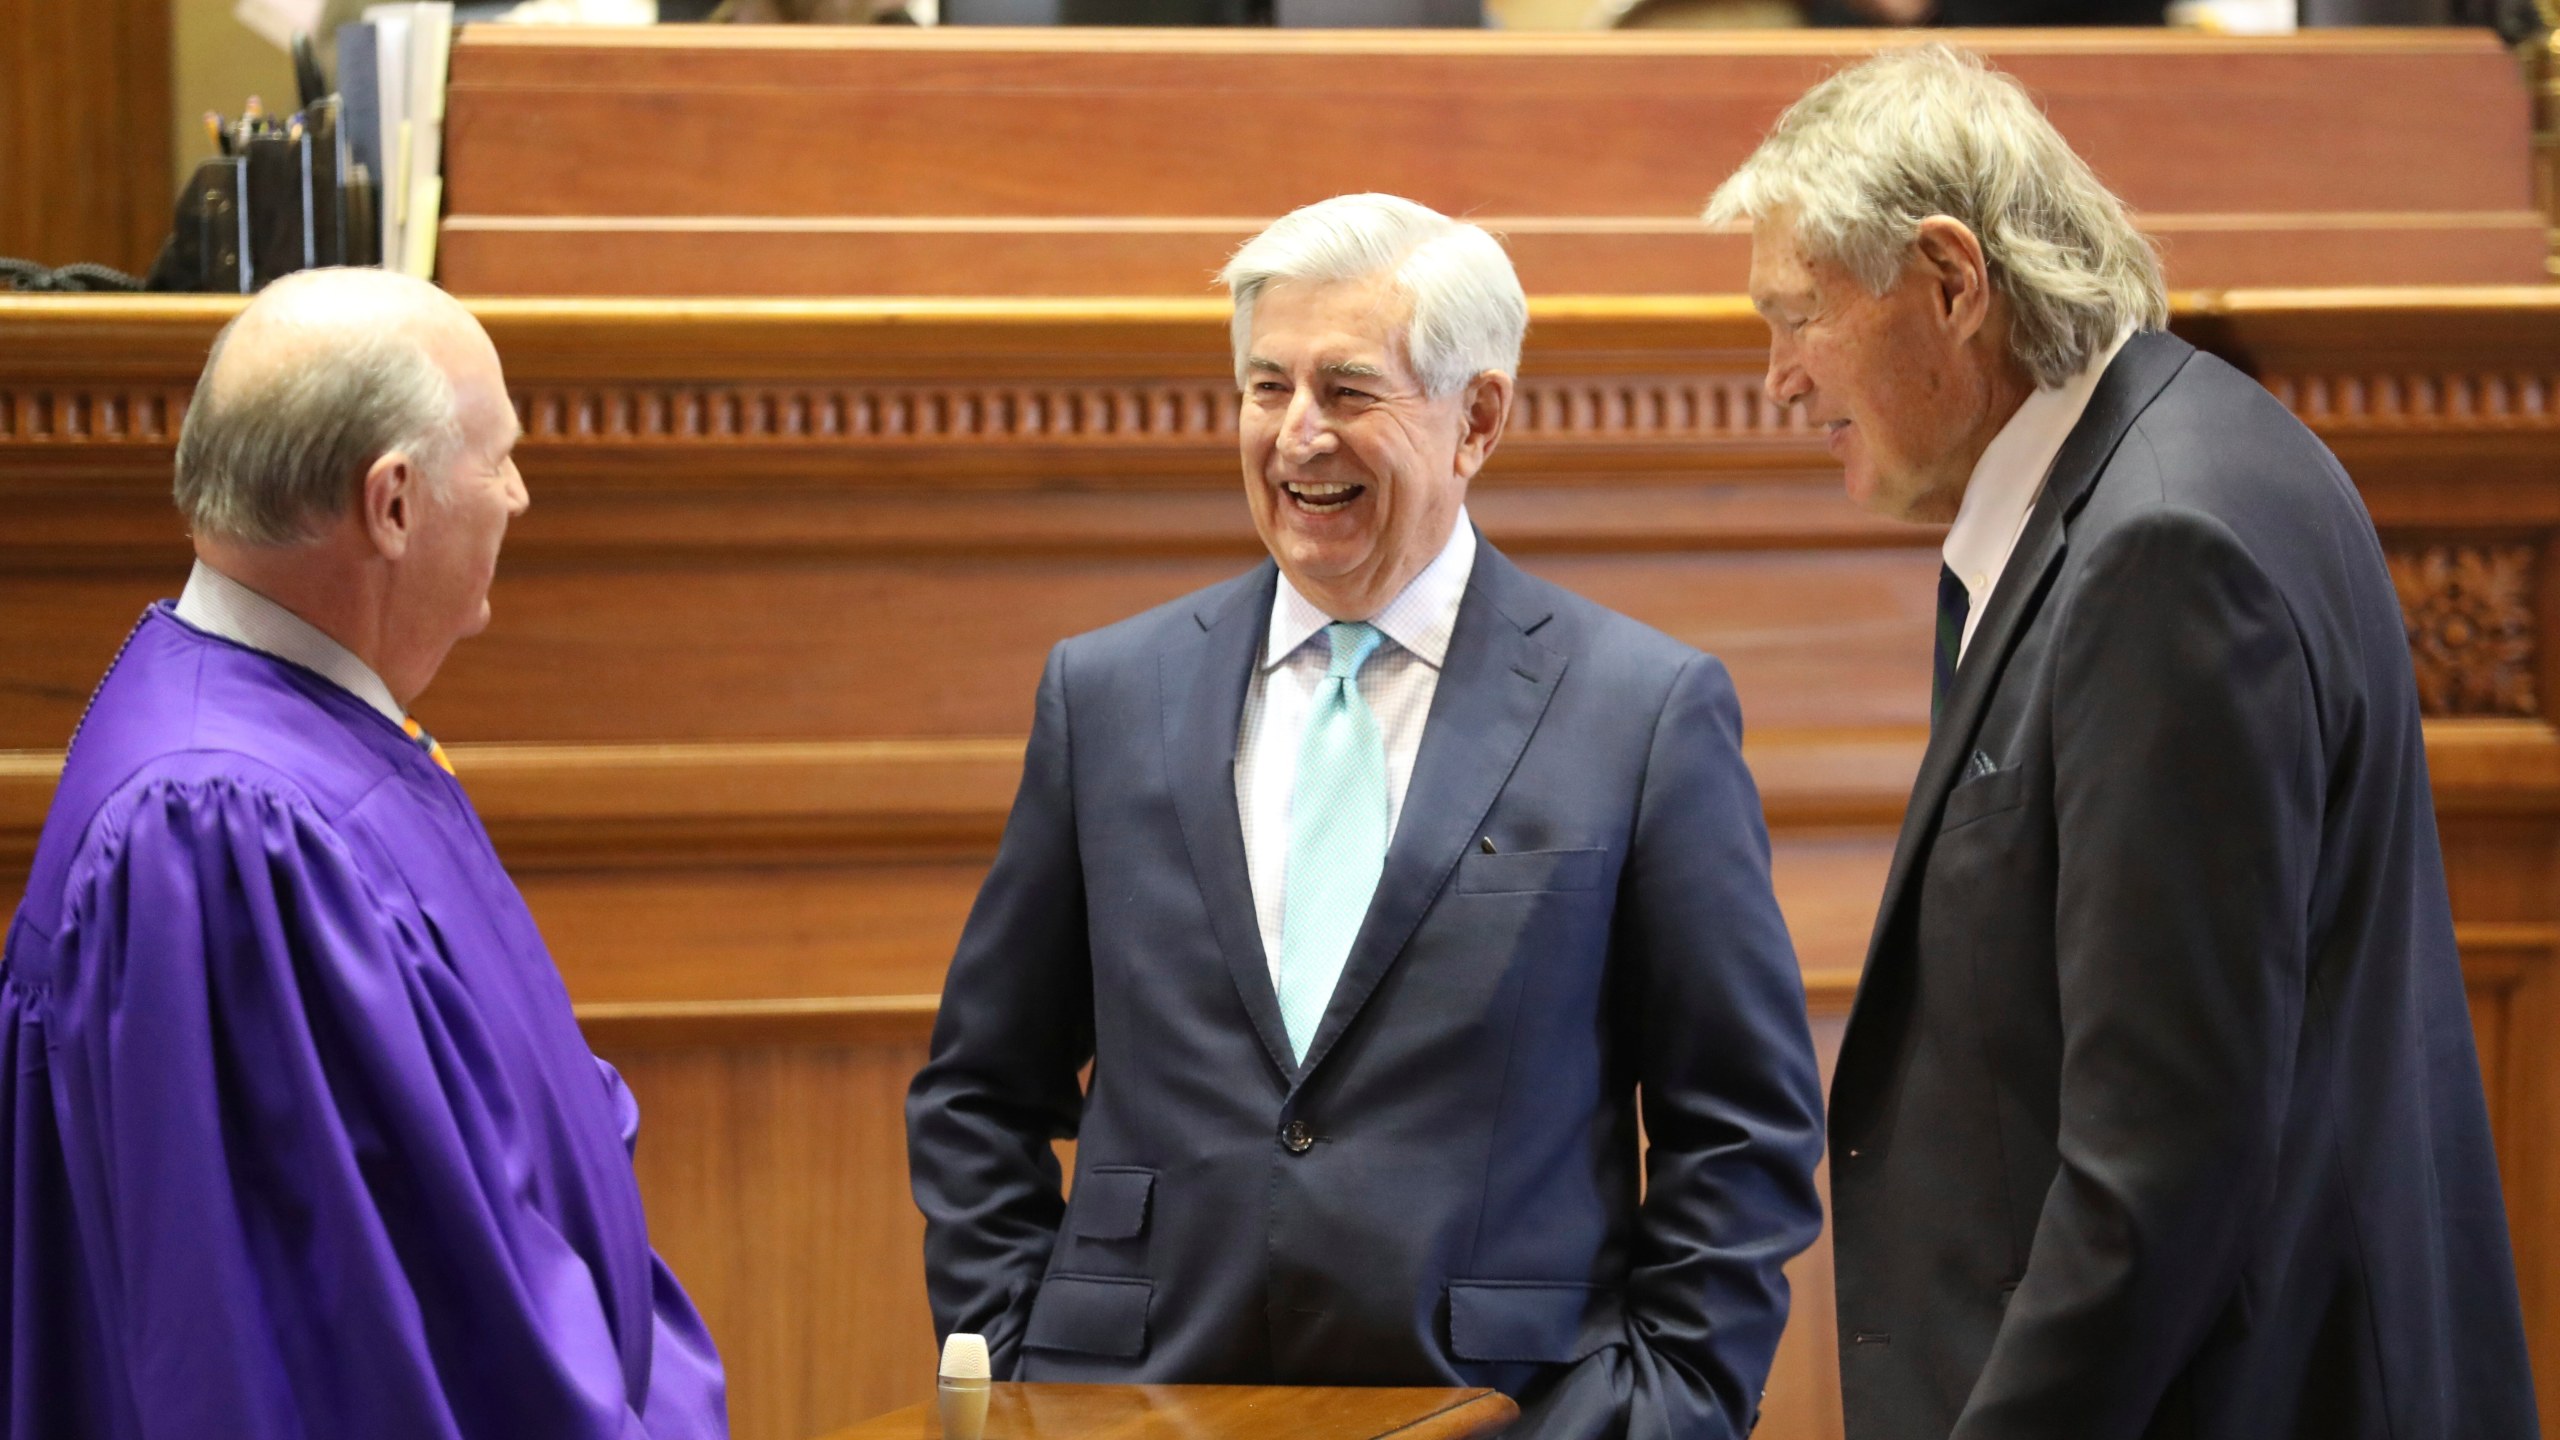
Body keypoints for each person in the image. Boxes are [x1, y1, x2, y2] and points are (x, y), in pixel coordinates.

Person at [1706, 46, 2537, 1440]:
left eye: (1799, 316)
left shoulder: (2162, 550)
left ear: (1952, 283)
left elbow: (2163, 1165)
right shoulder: (2158, 469)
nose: (1776, 379)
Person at [905, 193, 1826, 1438]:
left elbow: (1740, 1129)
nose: (1296, 437)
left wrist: (1662, 1411)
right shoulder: (1108, 693)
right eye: (1264, 386)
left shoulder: (1641, 710)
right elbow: (981, 1089)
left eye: (1347, 391)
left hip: (1504, 1412)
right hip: (1134, 1406)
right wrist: (1020, 1363)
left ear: (1477, 419)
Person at [0, 268, 727, 1439]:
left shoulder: (305, 738)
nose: (520, 495)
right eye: (498, 458)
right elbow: (309, 1349)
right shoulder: (217, 836)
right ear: (391, 503)